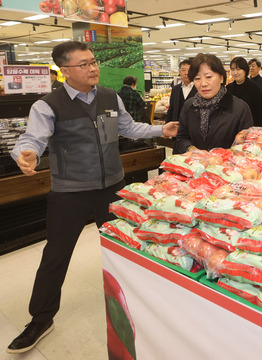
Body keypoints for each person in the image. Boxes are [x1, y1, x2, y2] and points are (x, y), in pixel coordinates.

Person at [7, 41, 178, 355]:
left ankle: (139, 306)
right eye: (84, 64)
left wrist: (159, 130)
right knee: (55, 256)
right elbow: (32, 138)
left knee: (125, 249)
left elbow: (128, 127)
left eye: (94, 61)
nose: (93, 68)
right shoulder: (48, 105)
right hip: (69, 193)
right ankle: (41, 318)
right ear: (65, 71)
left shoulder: (110, 97)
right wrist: (26, 154)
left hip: (111, 187)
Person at [173, 54, 253, 153]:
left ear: (221, 78)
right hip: (195, 165)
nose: (203, 83)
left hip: (227, 166)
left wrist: (224, 156)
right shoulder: (189, 106)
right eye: (197, 79)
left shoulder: (240, 108)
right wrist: (192, 150)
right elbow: (181, 137)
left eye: (209, 77)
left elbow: (247, 145)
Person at [226, 56, 262, 129]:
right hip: (232, 128)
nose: (235, 72)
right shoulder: (228, 88)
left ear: (245, 70)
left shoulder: (255, 88)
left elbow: (261, 112)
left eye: (238, 69)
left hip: (251, 128)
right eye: (233, 69)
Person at [166, 58, 198, 123]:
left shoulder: (199, 88)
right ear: (179, 72)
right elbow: (171, 110)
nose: (186, 73)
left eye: (189, 70)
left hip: (194, 126)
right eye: (183, 70)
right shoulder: (175, 89)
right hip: (177, 126)